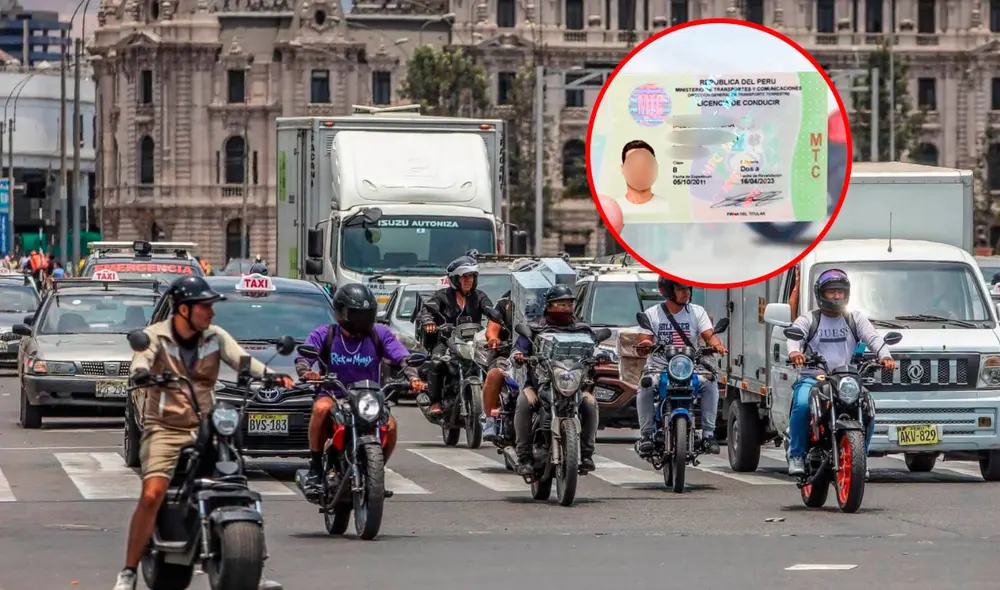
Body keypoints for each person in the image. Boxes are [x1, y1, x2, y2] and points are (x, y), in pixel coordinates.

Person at [113, 276, 294, 590]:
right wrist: (142, 374)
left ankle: (252, 563)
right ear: (184, 310)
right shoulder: (156, 336)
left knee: (235, 480)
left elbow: (242, 360)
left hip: (206, 424)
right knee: (153, 494)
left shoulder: (215, 336)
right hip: (165, 427)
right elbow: (141, 360)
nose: (211, 312)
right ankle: (128, 571)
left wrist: (271, 375)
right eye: (205, 307)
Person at [294, 283, 424, 501]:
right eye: (357, 314)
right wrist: (307, 372)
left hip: (368, 397)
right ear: (340, 312)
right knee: (320, 408)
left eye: (366, 314)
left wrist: (413, 378)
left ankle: (375, 474)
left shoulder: (380, 334)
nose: (362, 319)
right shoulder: (325, 334)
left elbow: (402, 357)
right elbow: (304, 357)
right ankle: (315, 469)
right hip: (334, 394)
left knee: (391, 427)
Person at [785, 268, 896, 477]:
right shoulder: (809, 319)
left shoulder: (855, 318)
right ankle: (796, 455)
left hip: (845, 380)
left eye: (840, 292)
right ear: (821, 294)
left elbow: (873, 338)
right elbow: (795, 336)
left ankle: (860, 458)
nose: (836, 296)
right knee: (801, 406)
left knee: (868, 407)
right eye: (831, 292)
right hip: (813, 378)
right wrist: (795, 353)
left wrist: (885, 356)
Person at [511, 285, 600, 476]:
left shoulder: (582, 329)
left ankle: (586, 454)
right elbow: (519, 348)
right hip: (539, 384)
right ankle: (524, 457)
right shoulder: (535, 328)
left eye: (569, 304)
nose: (566, 307)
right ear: (549, 306)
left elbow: (595, 348)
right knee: (524, 404)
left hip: (574, 385)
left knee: (591, 404)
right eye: (561, 304)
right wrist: (518, 355)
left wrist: (601, 356)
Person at [634, 277, 727, 456]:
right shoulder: (652, 314)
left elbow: (709, 335)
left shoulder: (697, 312)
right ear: (669, 291)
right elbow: (645, 340)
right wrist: (645, 344)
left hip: (689, 368)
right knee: (645, 384)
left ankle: (708, 434)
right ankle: (646, 435)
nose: (687, 293)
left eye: (688, 289)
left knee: (710, 382)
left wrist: (717, 345)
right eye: (681, 289)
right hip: (659, 368)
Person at [415, 255, 494, 417]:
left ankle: (493, 402)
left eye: (471, 276)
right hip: (446, 340)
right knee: (437, 362)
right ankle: (435, 401)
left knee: (492, 363)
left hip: (473, 342)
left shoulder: (479, 296)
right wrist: (429, 321)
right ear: (455, 279)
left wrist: (499, 317)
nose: (468, 280)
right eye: (464, 277)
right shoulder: (442, 296)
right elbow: (427, 310)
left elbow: (490, 310)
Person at [480, 258, 536, 441]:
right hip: (507, 354)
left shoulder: (544, 301)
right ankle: (490, 419)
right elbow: (492, 328)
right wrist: (494, 339)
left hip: (538, 356)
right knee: (495, 374)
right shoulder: (504, 303)